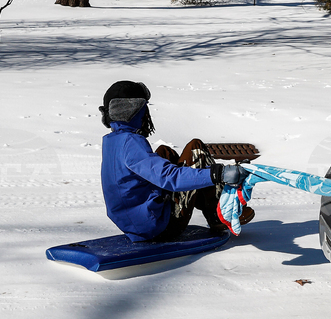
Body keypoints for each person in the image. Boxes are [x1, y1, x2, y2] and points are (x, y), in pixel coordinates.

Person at [98, 81, 251, 242]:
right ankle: (219, 215)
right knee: (195, 150)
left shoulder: (112, 141)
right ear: (133, 111)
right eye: (144, 110)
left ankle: (210, 204)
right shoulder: (131, 143)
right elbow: (169, 177)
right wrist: (218, 174)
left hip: (135, 224)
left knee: (165, 152)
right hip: (158, 227)